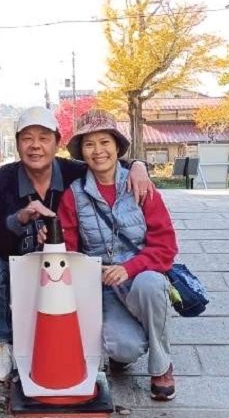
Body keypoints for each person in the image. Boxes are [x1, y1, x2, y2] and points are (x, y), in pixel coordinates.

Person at [0, 105, 153, 382]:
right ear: (18, 144)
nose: (35, 146)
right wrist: (19, 219)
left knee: (120, 344)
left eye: (44, 138)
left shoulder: (74, 173)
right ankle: (2, 345)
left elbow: (110, 163)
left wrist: (140, 166)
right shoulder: (0, 181)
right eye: (27, 138)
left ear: (57, 143)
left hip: (70, 276)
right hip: (19, 274)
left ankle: (100, 340)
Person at [57, 110, 177, 401]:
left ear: (117, 146)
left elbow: (166, 246)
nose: (98, 151)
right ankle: (128, 343)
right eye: (89, 144)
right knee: (124, 348)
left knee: (151, 284)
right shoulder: (73, 194)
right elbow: (68, 252)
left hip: (139, 279)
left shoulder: (141, 185)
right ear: (81, 151)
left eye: (105, 142)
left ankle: (162, 366)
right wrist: (93, 272)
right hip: (102, 287)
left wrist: (130, 267)